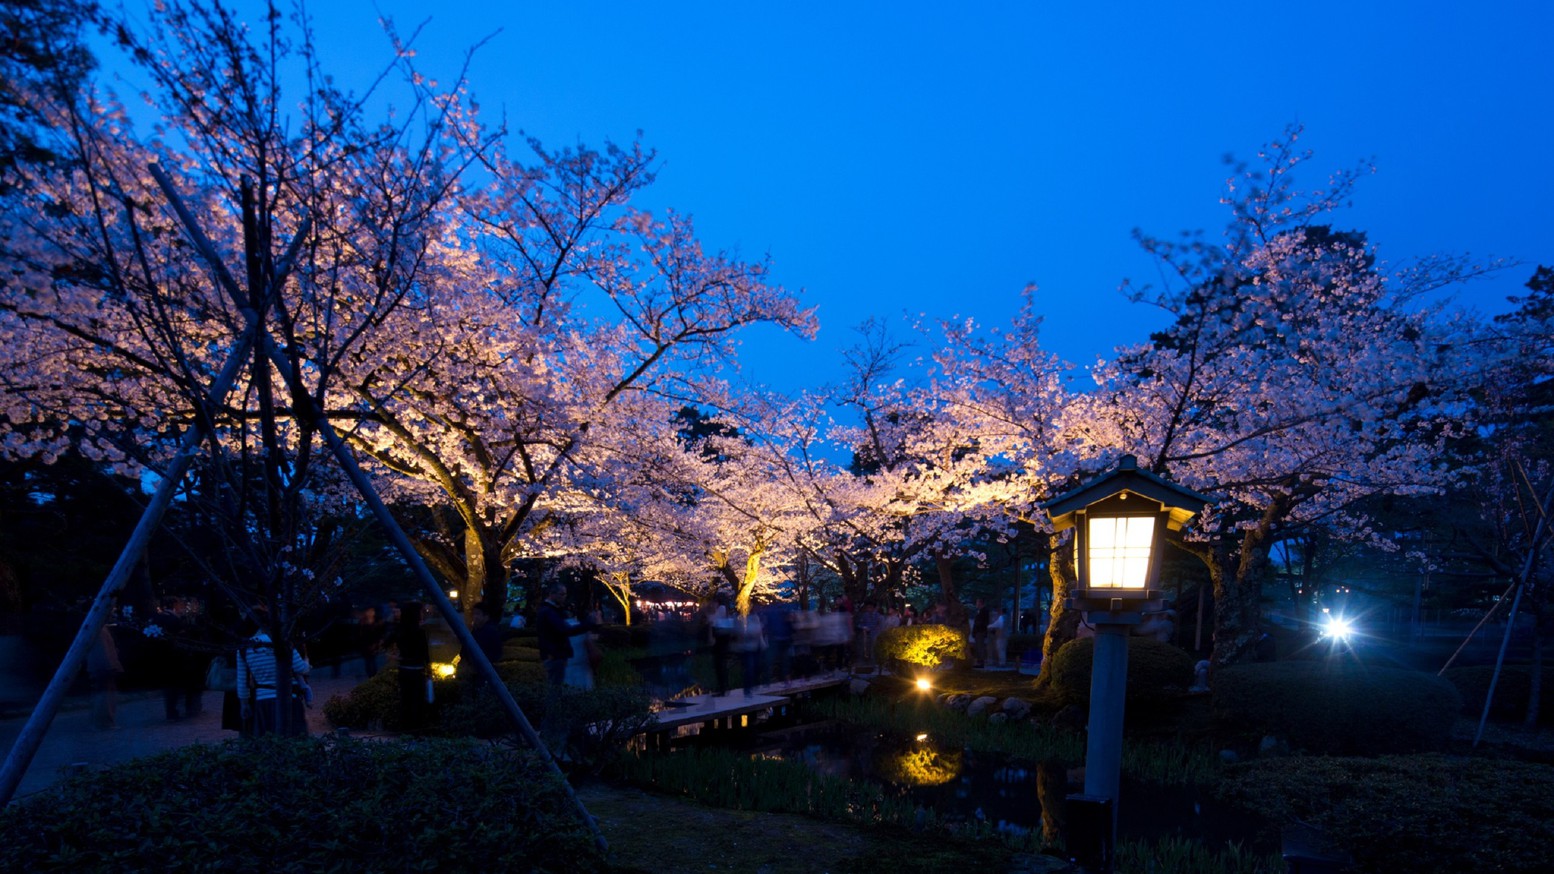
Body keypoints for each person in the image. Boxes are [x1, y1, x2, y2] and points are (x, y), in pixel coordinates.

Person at [236, 622, 311, 736]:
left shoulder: (245, 648)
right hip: (289, 698)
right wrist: (307, 660)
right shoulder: (285, 642)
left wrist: (244, 705)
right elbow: (301, 669)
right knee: (295, 740)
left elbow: (242, 682)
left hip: (262, 700)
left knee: (269, 741)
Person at [392, 601, 430, 733]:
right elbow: (424, 654)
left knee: (406, 700)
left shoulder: (400, 630)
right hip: (417, 670)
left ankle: (406, 729)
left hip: (404, 669)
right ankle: (417, 730)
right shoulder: (419, 632)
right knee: (418, 701)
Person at [87, 617, 123, 730]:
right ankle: (104, 722)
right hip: (103, 667)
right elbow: (104, 650)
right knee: (105, 695)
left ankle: (99, 721)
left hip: (100, 666)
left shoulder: (98, 628)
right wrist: (111, 666)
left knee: (101, 694)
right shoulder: (100, 630)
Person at [459, 602, 506, 686]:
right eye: (474, 614)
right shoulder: (476, 630)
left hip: (483, 673)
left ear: (486, 616)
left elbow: (494, 654)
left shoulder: (490, 632)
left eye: (478, 614)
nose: (475, 617)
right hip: (477, 671)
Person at [971, 599, 990, 668]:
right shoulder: (981, 611)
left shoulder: (984, 611)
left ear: (980, 603)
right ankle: (979, 661)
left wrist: (978, 628)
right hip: (979, 631)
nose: (976, 604)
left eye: (977, 603)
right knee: (978, 646)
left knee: (980, 647)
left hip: (980, 631)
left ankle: (981, 662)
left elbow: (983, 622)